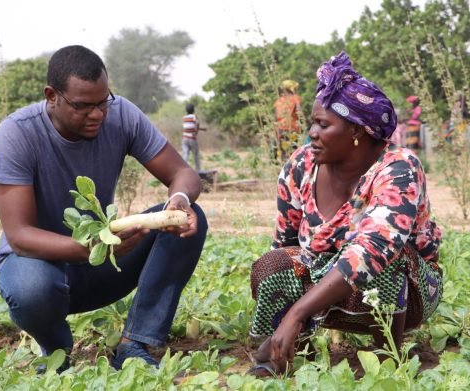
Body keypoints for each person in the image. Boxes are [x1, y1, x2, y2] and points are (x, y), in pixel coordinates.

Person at [0, 45, 208, 373]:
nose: (97, 114)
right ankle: (56, 351)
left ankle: (139, 344)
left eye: (103, 102)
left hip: (102, 263)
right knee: (31, 287)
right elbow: (19, 236)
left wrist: (179, 201)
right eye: (83, 106)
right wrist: (89, 248)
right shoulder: (18, 133)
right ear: (52, 96)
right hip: (40, 266)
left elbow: (183, 174)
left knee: (190, 220)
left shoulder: (121, 115)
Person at [248, 52, 442, 376]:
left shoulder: (398, 169)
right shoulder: (301, 166)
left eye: (323, 124)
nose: (312, 132)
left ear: (356, 131)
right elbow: (283, 245)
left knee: (387, 257)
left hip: (407, 288)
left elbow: (372, 251)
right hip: (324, 284)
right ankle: (287, 355)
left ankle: (386, 360)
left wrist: (296, 313)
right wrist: (282, 317)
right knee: (273, 265)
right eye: (312, 122)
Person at [272, 80, 304, 161]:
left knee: (283, 154)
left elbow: (276, 117)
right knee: (294, 154)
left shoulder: (278, 101)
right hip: (292, 129)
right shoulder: (296, 99)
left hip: (280, 130)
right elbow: (300, 115)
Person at [181, 103, 205, 171]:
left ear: (186, 110)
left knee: (185, 154)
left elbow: (186, 127)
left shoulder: (184, 118)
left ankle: (183, 170)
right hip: (192, 138)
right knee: (196, 155)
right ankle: (198, 170)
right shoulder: (194, 117)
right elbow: (197, 125)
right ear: (193, 110)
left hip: (184, 139)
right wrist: (196, 132)